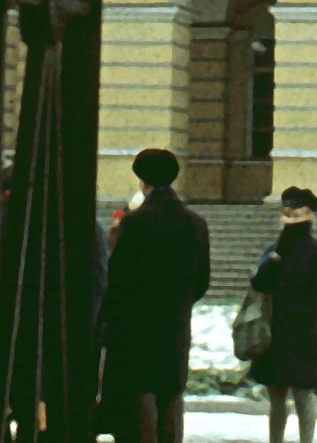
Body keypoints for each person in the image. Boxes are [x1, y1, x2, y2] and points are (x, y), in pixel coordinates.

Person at [99, 148, 210, 443]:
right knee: (170, 400)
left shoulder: (135, 224)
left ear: (141, 181)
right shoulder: (195, 225)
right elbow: (201, 281)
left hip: (136, 330)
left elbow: (118, 279)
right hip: (174, 327)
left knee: (139, 406)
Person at [247, 187, 317, 443]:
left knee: (303, 397)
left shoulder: (316, 253)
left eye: (296, 216)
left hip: (303, 335)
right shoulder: (275, 251)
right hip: (275, 333)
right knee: (277, 398)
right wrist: (274, 260)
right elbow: (259, 285)